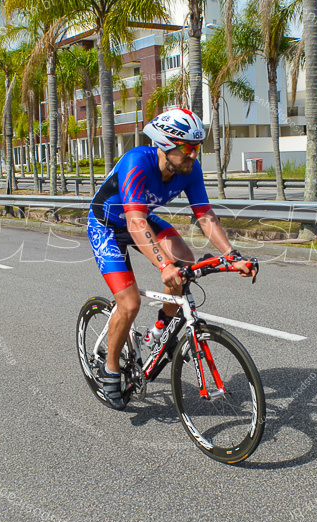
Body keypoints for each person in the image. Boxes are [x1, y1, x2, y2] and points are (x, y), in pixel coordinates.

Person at [86, 107, 256, 409]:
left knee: (186, 260)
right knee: (129, 303)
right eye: (187, 148)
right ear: (165, 145)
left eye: (197, 147)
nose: (193, 155)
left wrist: (232, 256)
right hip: (108, 225)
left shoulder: (190, 169)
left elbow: (205, 216)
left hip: (140, 220)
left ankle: (161, 326)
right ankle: (111, 369)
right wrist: (163, 264)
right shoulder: (137, 162)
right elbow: (135, 222)